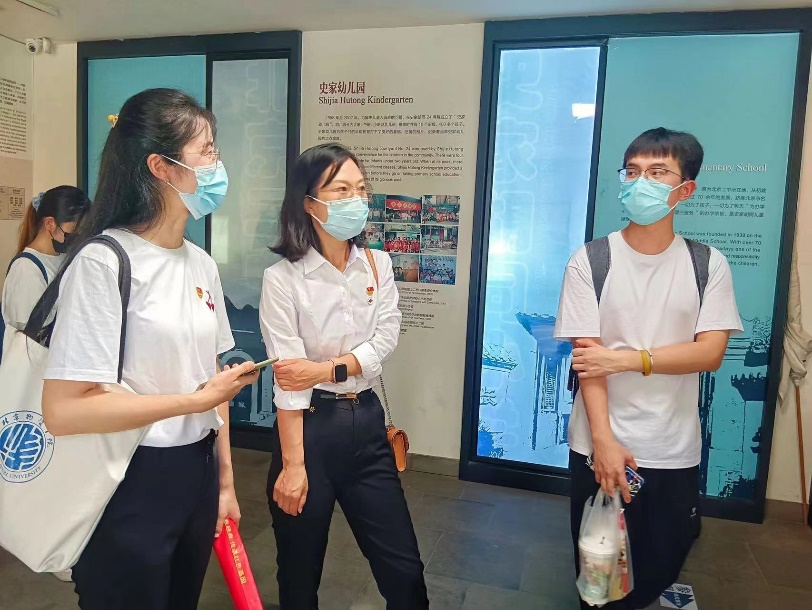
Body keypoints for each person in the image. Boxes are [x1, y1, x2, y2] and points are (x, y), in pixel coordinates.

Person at [33, 88, 258, 610]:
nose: (218, 166)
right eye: (207, 152)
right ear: (161, 167)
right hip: (128, 480)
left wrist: (224, 482)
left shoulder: (200, 263)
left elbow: (214, 380)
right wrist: (193, 401)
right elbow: (63, 411)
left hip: (197, 471)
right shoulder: (104, 261)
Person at [554, 128, 743, 609]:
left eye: (658, 172)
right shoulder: (591, 261)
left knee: (661, 563)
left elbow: (709, 353)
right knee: (599, 572)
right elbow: (588, 362)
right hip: (599, 443)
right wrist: (603, 443)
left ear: (685, 189)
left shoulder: (707, 264)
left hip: (673, 446)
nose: (642, 182)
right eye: (633, 171)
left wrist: (625, 358)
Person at [259, 142, 429, 609]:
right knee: (299, 573)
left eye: (360, 189)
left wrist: (329, 368)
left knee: (404, 570)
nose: (356, 199)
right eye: (341, 190)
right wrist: (293, 466)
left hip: (367, 424)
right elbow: (290, 381)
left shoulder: (377, 263)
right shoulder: (283, 278)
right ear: (309, 202)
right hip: (310, 430)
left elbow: (386, 337)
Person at [2, 186, 90, 358]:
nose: (79, 236)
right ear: (50, 223)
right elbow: (30, 337)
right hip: (37, 366)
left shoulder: (65, 258)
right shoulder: (26, 268)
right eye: (75, 229)